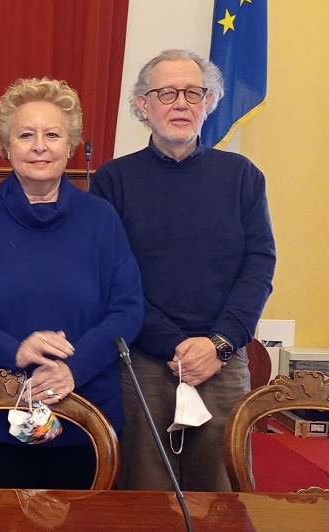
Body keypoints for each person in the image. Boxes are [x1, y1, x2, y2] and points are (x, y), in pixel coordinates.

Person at [0, 77, 144, 488]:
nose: (39, 145)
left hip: (85, 410)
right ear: (5, 146)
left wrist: (74, 369)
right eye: (26, 134)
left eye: (52, 134)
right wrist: (17, 350)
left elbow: (128, 309)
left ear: (70, 146)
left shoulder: (100, 218)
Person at [90, 48, 276, 491]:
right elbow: (109, 274)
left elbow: (260, 264)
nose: (181, 103)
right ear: (142, 104)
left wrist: (218, 344)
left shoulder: (242, 176)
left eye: (194, 92)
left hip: (222, 359)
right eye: (167, 92)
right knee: (144, 493)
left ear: (209, 102)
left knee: (221, 494)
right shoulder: (112, 180)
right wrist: (175, 345)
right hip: (144, 361)